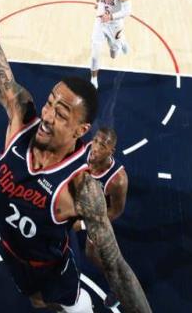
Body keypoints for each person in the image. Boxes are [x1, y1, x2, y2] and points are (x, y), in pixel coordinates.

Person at [0, 0, 151, 312]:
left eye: (61, 113)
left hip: (54, 270)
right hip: (11, 253)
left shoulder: (82, 187)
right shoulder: (22, 118)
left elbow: (117, 267)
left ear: (81, 129)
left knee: (70, 305)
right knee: (38, 304)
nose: (48, 115)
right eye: (50, 102)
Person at [73, 128, 128, 309]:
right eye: (95, 141)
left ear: (111, 151)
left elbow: (115, 211)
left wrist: (83, 224)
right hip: (78, 202)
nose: (95, 147)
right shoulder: (84, 150)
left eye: (102, 145)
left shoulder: (117, 180)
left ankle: (119, 287)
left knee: (91, 253)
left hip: (96, 215)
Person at [90, 0, 131, 90]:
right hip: (100, 21)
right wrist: (97, 2)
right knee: (95, 53)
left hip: (114, 24)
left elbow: (127, 11)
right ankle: (94, 78)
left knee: (113, 54)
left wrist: (111, 17)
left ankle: (122, 40)